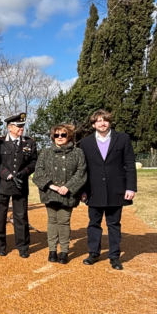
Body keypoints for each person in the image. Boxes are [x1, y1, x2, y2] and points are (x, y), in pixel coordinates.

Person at [78, 109, 137, 270]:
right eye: (98, 121)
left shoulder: (122, 138)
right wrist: (83, 191)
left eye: (105, 120)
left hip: (116, 189)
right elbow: (83, 169)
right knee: (93, 223)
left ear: (109, 122)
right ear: (93, 124)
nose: (102, 123)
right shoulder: (85, 143)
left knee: (114, 224)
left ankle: (115, 256)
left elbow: (129, 164)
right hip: (93, 190)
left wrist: (131, 187)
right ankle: (93, 253)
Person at [32, 123, 87, 264]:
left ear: (69, 136)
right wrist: (51, 186)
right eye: (56, 135)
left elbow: (81, 173)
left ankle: (64, 251)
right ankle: (52, 250)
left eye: (63, 134)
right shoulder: (45, 152)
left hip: (68, 194)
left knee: (63, 221)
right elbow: (38, 172)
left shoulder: (77, 153)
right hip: (50, 192)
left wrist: (68, 187)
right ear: (53, 137)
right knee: (52, 221)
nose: (60, 137)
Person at [0, 112, 38, 258]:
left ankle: (23, 246)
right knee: (1, 217)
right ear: (9, 127)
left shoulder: (29, 143)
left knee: (21, 217)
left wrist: (24, 172)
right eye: (18, 126)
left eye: (22, 126)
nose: (21, 128)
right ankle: (1, 246)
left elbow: (33, 162)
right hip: (3, 184)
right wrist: (8, 174)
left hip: (20, 185)